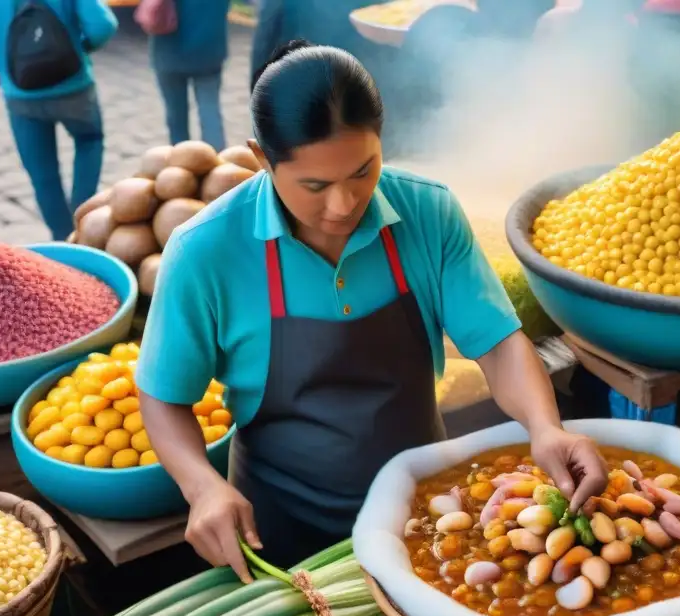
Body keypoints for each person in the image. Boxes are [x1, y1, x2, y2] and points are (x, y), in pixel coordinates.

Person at [136, 41, 609, 580]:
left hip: (424, 511)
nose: (343, 205)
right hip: (279, 527)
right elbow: (164, 395)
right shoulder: (206, 249)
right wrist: (201, 485)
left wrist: (545, 427)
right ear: (262, 158)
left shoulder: (428, 212)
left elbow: (498, 345)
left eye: (363, 171)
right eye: (315, 185)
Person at [0, 0, 117, 241]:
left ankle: (63, 240)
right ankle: (84, 221)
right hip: (74, 87)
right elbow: (102, 25)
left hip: (20, 95)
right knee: (89, 142)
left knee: (43, 176)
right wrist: (79, 48)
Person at [149, 0, 232, 150]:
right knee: (210, 111)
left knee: (176, 116)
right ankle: (217, 164)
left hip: (169, 52)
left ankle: (183, 162)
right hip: (210, 51)